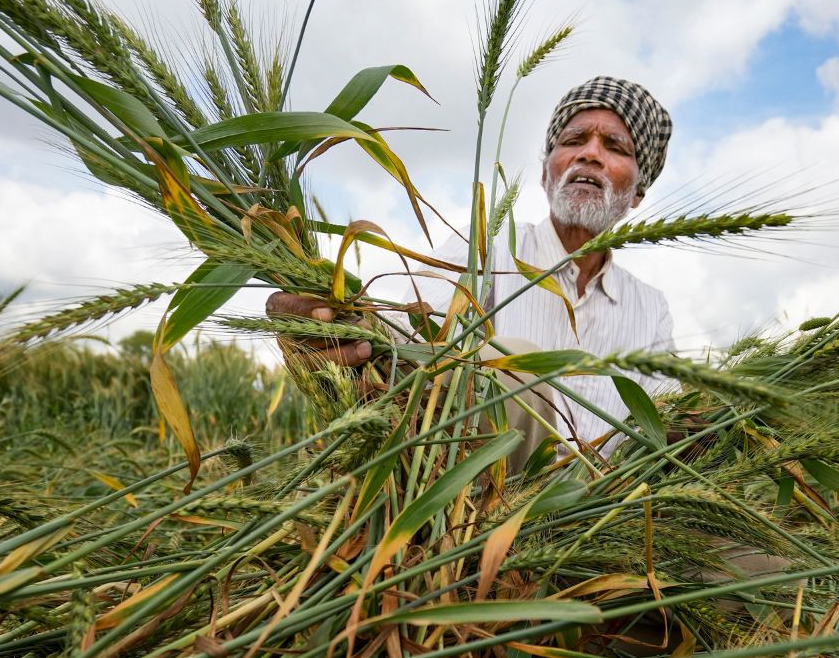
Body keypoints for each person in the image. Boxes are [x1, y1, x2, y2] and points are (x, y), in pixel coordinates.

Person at [266, 75, 677, 459]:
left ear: (639, 192)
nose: (590, 154)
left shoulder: (650, 307)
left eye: (616, 147)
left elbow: (670, 422)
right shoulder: (481, 249)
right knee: (515, 361)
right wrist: (339, 316)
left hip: (606, 515)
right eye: (573, 140)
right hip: (485, 502)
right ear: (544, 174)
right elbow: (411, 338)